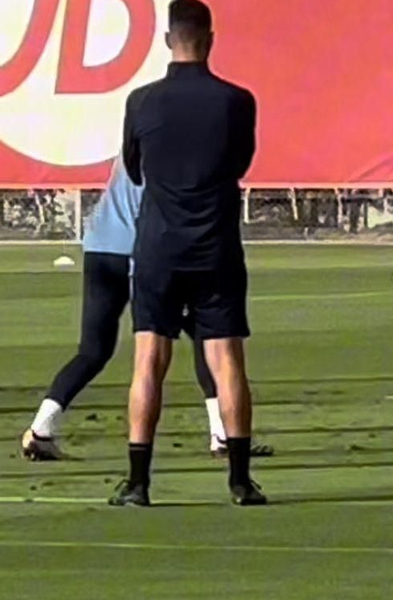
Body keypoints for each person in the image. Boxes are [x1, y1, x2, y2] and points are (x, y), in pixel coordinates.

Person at [114, 0, 264, 506]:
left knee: (149, 360)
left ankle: (138, 483)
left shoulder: (142, 101)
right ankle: (240, 481)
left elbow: (135, 168)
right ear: (211, 40)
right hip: (216, 245)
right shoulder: (236, 100)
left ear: (166, 41)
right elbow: (240, 162)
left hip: (158, 245)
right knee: (227, 361)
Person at [20, 159, 272, 462]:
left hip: (100, 248)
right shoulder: (173, 153)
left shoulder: (137, 142)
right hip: (145, 254)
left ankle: (40, 429)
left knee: (92, 351)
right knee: (208, 337)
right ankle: (221, 433)